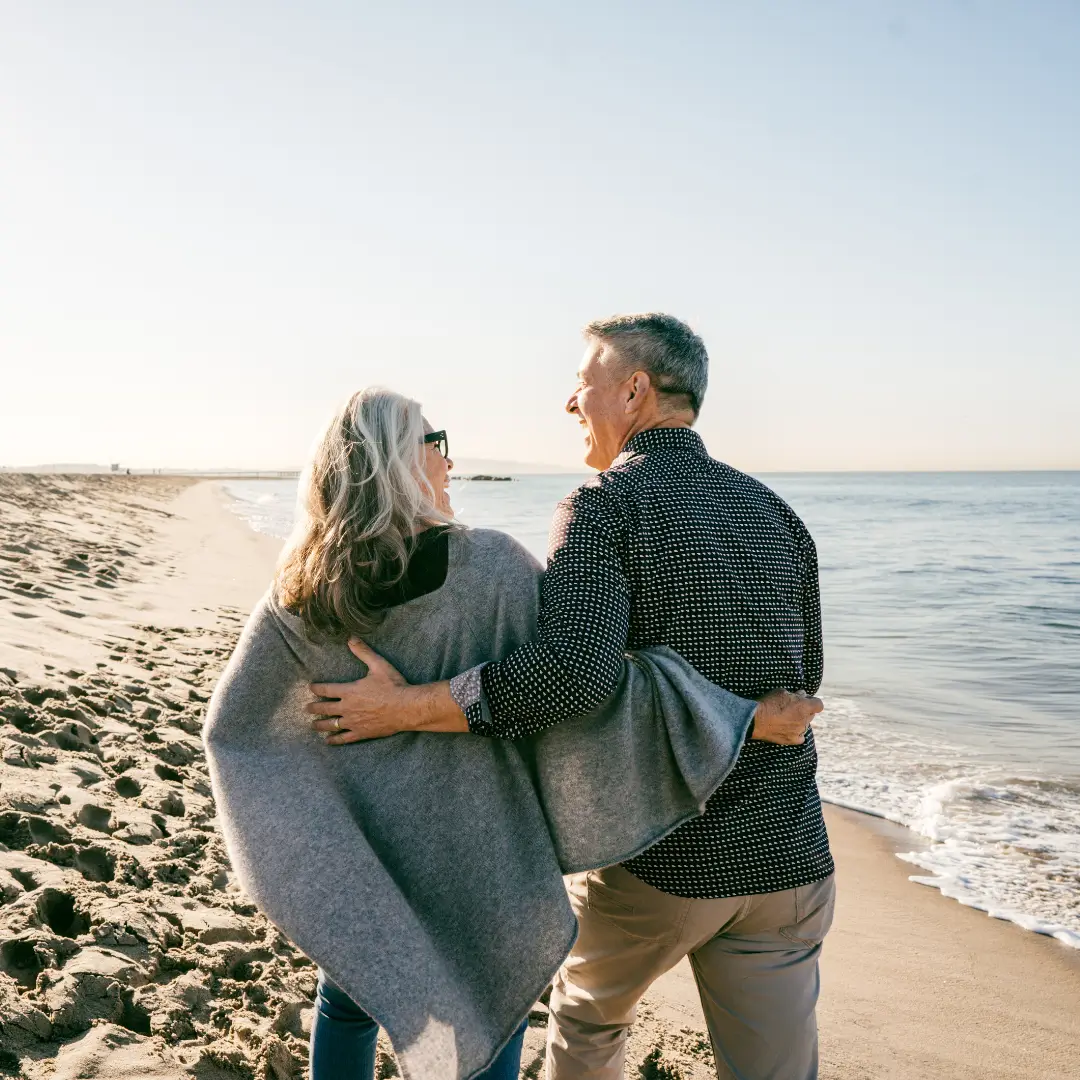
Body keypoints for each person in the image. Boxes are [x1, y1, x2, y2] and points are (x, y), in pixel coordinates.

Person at [206, 385, 819, 1080]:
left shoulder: (303, 588)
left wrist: (314, 828)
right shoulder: (491, 568)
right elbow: (585, 687)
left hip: (369, 848)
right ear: (399, 462)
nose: (449, 463)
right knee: (493, 1004)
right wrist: (737, 714)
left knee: (349, 1001)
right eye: (437, 445)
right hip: (484, 847)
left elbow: (238, 731)